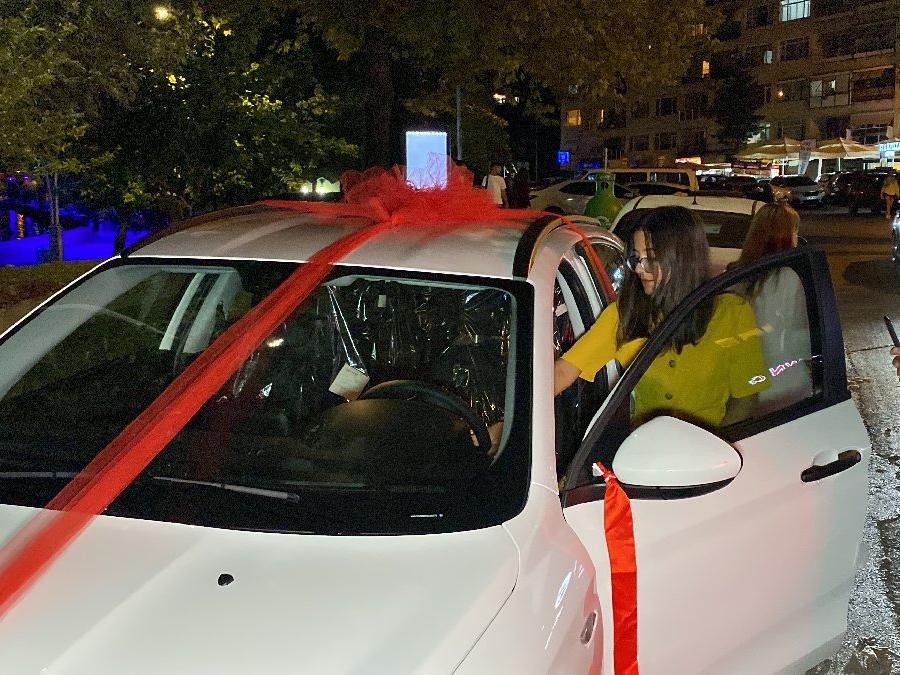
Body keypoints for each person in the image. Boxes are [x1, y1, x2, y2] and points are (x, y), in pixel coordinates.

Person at [554, 206, 767, 428]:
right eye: (636, 258)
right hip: (644, 444)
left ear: (683, 259)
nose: (639, 269)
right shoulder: (626, 313)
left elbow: (746, 397)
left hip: (710, 444)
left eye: (651, 258)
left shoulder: (732, 312)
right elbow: (564, 370)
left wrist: (717, 441)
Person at [730, 202, 812, 413]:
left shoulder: (735, 277)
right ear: (783, 237)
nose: (797, 238)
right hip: (785, 382)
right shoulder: (788, 277)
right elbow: (800, 339)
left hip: (745, 384)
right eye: (795, 232)